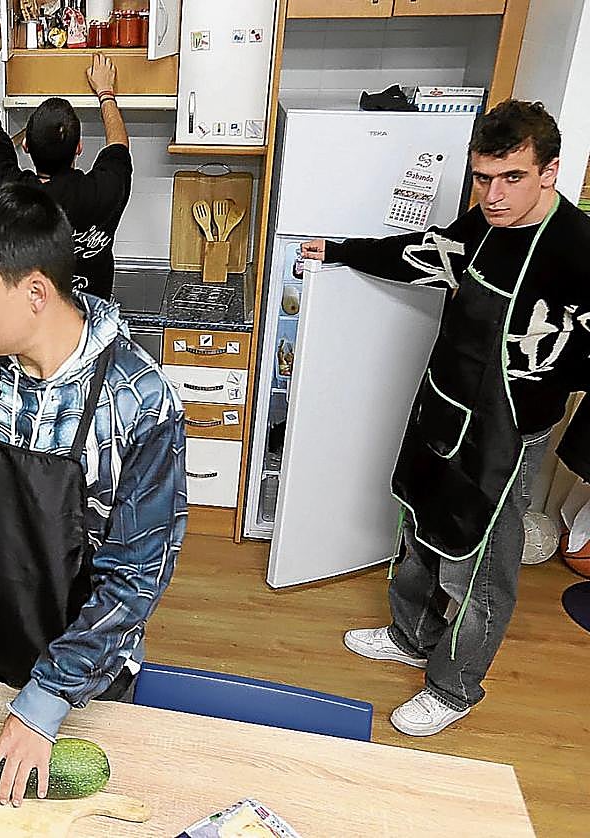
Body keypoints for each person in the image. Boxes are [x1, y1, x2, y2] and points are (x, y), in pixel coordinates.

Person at [302, 99, 590, 737]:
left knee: (478, 562)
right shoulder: (483, 225)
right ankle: (411, 636)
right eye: (482, 178)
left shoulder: (577, 248)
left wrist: (560, 397)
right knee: (421, 523)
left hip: (508, 432)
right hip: (444, 405)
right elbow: (426, 252)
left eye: (511, 177)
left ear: (549, 171)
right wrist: (342, 252)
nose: (493, 195)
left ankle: (454, 686)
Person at [0, 183, 187, 805]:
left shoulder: (139, 403)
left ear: (35, 292)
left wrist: (46, 700)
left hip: (81, 677)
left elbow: (135, 579)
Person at [0, 18, 131, 301]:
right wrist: (106, 93)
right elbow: (119, 147)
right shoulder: (103, 191)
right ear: (79, 148)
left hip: (31, 324)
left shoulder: (9, 195)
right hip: (89, 324)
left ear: (25, 145)